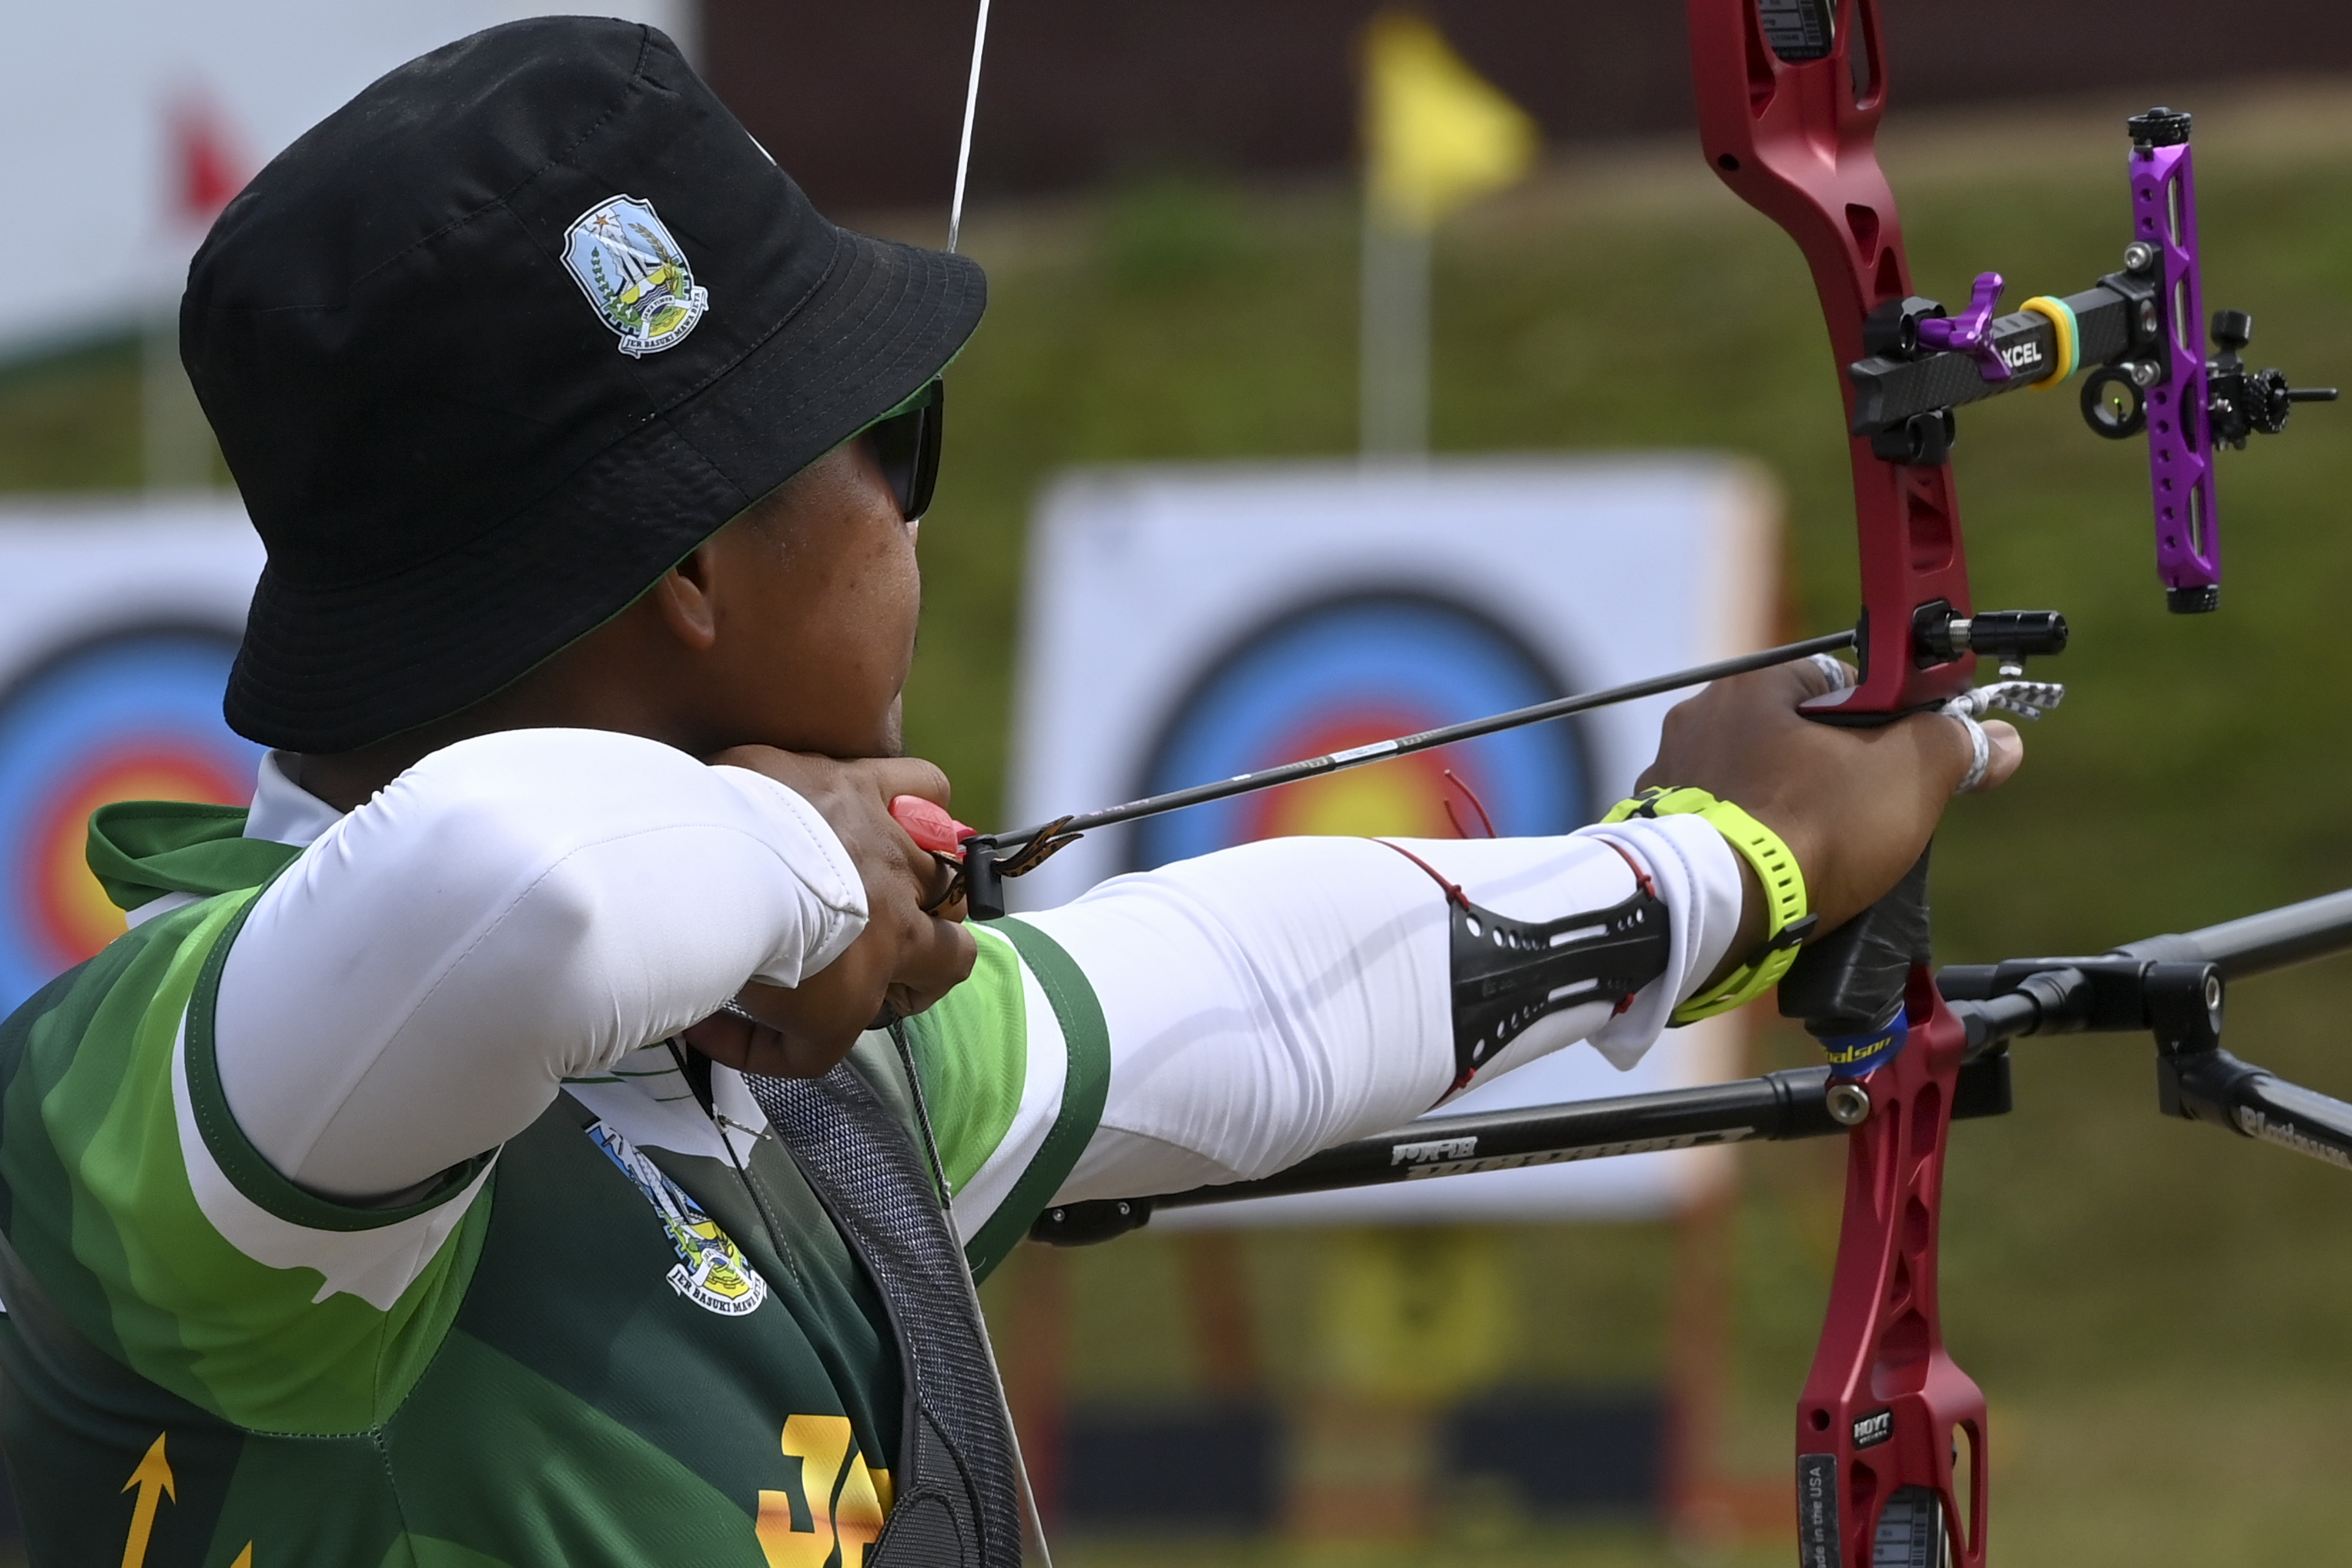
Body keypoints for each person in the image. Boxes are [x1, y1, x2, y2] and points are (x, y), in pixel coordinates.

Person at [0, 19, 2019, 1568]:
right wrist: (806, 857)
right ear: (690, 576)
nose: (906, 502)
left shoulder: (777, 1067)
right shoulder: (195, 1106)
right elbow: (510, 892)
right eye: (889, 440)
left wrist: (1714, 866)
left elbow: (1231, 1000)